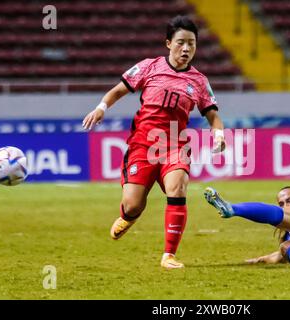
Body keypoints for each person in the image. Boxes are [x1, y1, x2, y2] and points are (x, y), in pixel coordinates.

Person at [82, 16, 226, 269]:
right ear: (168, 43)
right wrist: (101, 107)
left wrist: (219, 135)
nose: (186, 49)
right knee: (134, 204)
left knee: (178, 187)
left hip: (175, 145)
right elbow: (118, 90)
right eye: (181, 42)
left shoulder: (199, 81)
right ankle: (128, 216)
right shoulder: (149, 67)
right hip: (142, 145)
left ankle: (168, 255)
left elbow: (213, 115)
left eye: (191, 44)